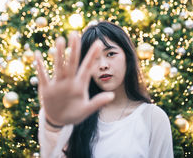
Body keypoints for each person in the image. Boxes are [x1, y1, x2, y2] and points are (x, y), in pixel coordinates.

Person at [36, 21, 174, 158]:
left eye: (111, 54)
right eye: (94, 59)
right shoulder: (74, 115)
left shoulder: (152, 118)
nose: (103, 65)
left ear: (127, 56)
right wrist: (53, 125)